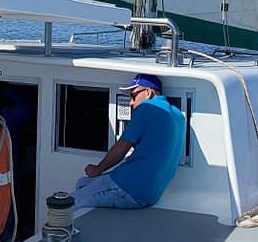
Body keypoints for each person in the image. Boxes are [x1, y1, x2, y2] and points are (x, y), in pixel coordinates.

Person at [73, 73, 186, 209]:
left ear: (148, 92)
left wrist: (98, 169)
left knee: (69, 202)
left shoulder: (148, 108)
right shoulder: (178, 116)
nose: (131, 102)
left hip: (130, 187)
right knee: (82, 183)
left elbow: (122, 147)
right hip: (151, 194)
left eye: (133, 96)